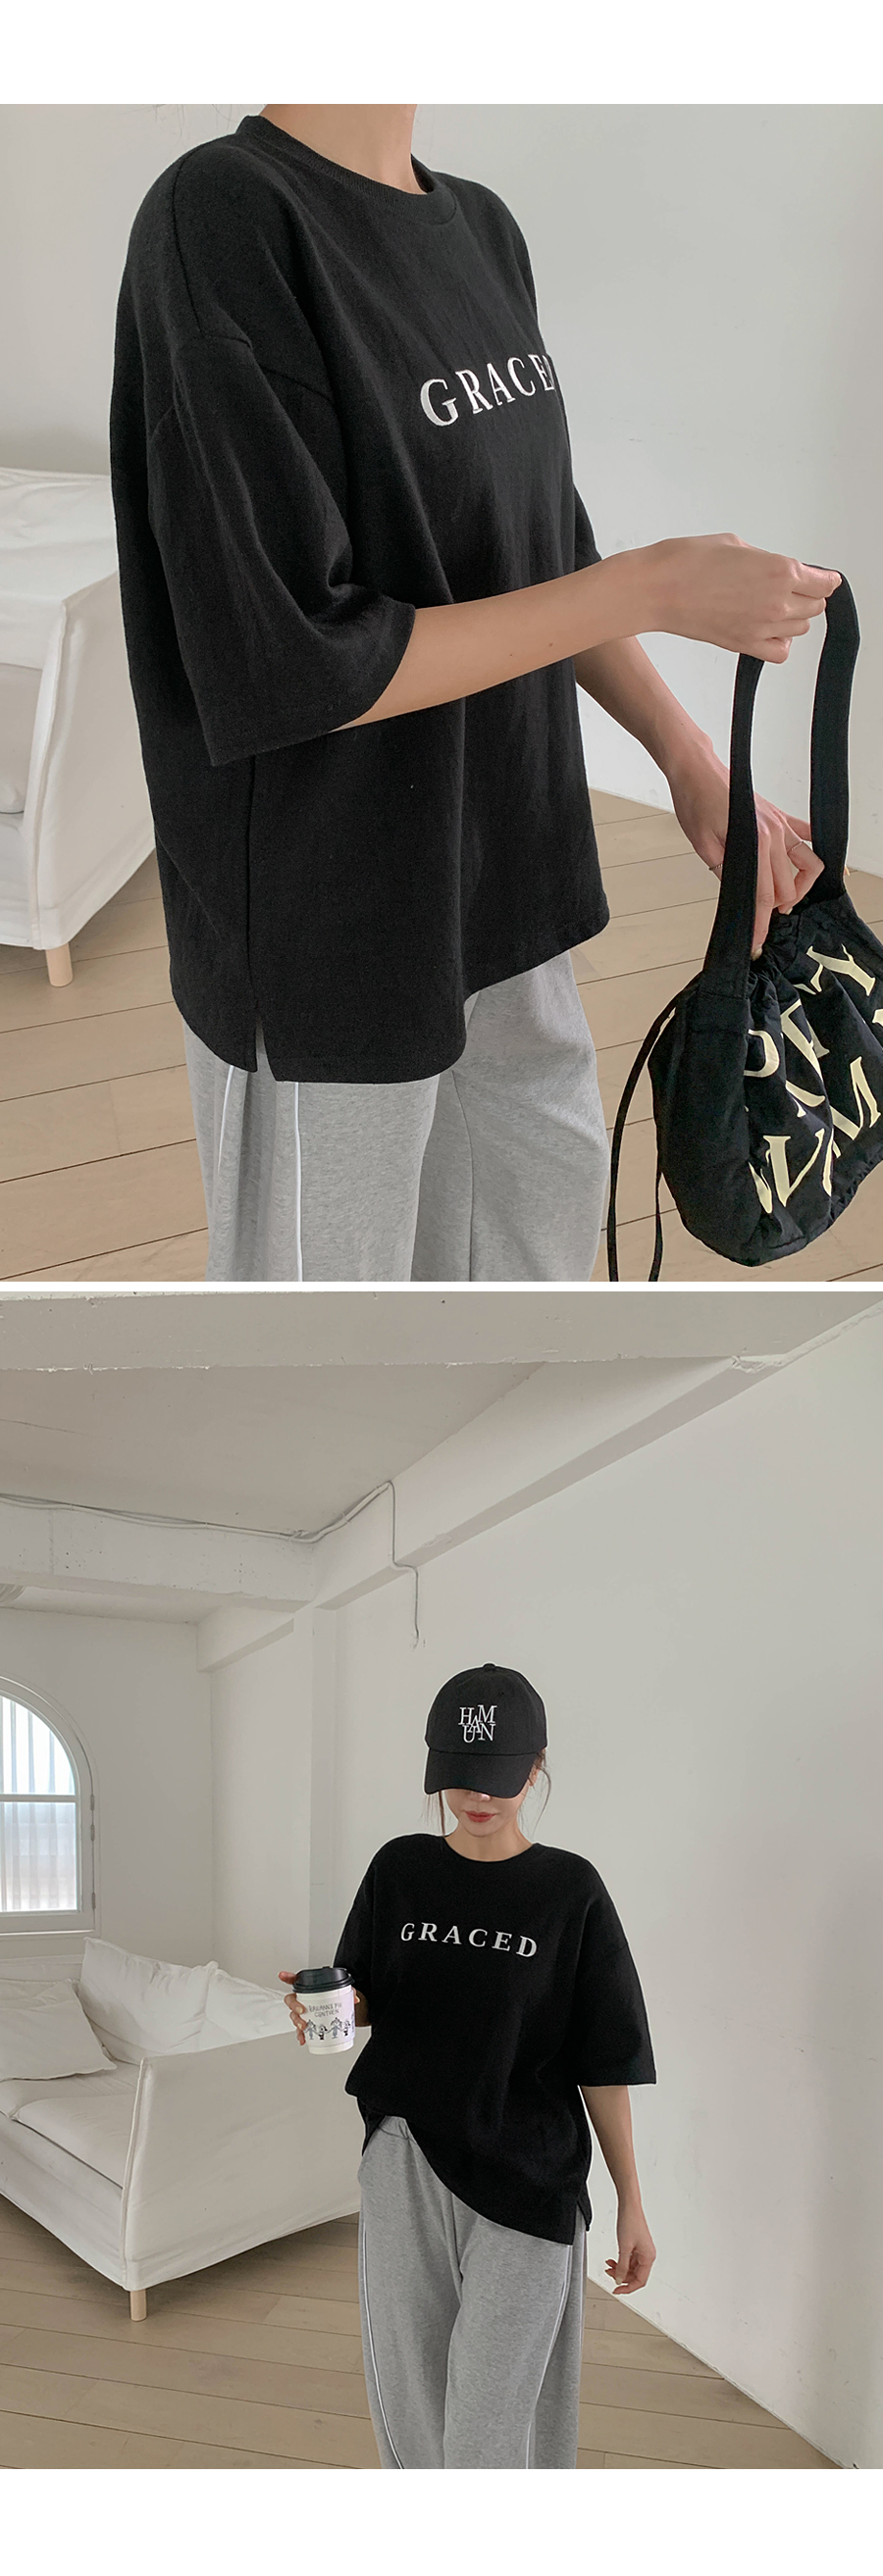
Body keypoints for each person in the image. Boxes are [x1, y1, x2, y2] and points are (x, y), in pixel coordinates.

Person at [110, 102, 841, 1284]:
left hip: (508, 877)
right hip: (332, 930)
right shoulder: (225, 216)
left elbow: (542, 557)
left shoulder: (483, 230)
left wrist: (689, 759)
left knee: (536, 1272)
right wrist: (654, 585)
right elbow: (294, 656)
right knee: (330, 1339)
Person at [281, 1661, 656, 2470]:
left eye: (499, 1773)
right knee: (414, 2404)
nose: (478, 1794)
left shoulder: (571, 1891)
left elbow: (605, 2059)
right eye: (460, 1773)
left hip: (532, 2175)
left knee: (495, 2424)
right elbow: (367, 1994)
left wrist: (632, 2201)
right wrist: (330, 2006)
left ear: (537, 1764)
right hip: (407, 2158)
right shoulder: (399, 1869)